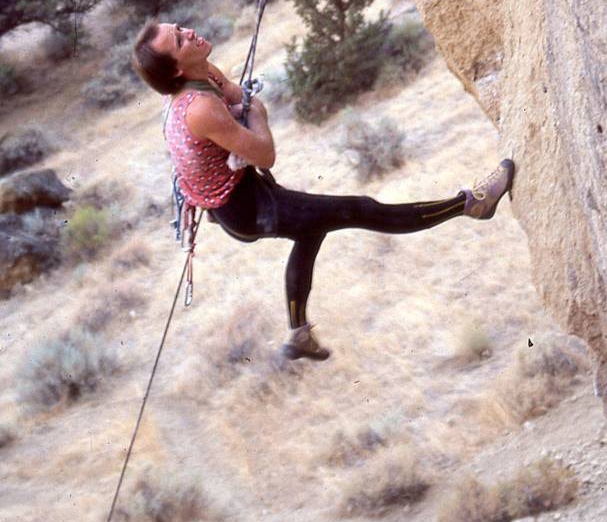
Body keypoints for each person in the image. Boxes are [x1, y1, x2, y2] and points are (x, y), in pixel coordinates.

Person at [132, 20, 515, 362]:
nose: (189, 32)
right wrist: (256, 113)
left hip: (241, 194)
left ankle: (299, 334)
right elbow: (264, 153)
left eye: (180, 28)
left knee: (311, 229)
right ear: (177, 69)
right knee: (358, 209)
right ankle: (471, 205)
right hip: (246, 208)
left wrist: (244, 112)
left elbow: (234, 95)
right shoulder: (198, 108)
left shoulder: (204, 74)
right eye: (180, 40)